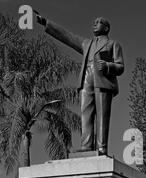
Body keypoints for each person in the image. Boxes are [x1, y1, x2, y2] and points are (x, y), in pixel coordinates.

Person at [35, 12, 125, 155]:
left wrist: (108, 66)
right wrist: (46, 22)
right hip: (86, 79)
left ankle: (102, 148)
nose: (95, 24)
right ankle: (86, 146)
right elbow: (67, 36)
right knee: (86, 114)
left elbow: (120, 67)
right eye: (94, 21)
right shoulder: (86, 43)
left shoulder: (113, 44)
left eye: (99, 22)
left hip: (103, 81)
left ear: (106, 28)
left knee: (102, 116)